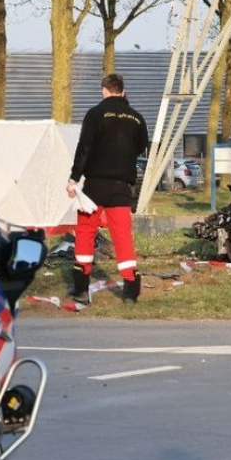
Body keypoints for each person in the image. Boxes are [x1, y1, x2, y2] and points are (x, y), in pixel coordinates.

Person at [65, 73, 149, 304]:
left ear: (104, 90)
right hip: (121, 187)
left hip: (94, 186)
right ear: (123, 91)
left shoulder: (94, 114)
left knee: (85, 232)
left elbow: (84, 148)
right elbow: (141, 146)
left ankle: (81, 287)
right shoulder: (137, 118)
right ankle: (131, 290)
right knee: (122, 236)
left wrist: (73, 178)